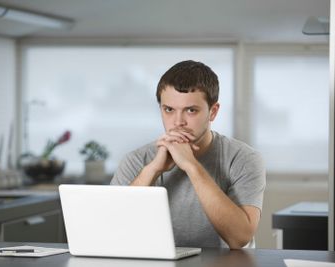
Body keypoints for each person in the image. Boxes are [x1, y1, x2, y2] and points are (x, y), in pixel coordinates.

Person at [110, 60, 266, 249]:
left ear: (213, 112)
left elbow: (239, 238)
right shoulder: (137, 160)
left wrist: (191, 166)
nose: (178, 122)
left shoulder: (244, 158)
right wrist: (152, 170)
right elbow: (114, 226)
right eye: (169, 110)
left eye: (191, 110)